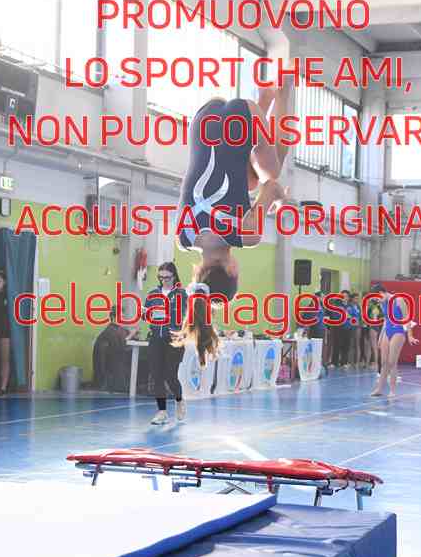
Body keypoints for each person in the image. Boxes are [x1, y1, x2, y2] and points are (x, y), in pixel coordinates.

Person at [176, 78, 294, 309]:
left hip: (245, 115)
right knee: (250, 181)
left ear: (231, 271)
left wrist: (281, 202)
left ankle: (283, 91)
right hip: (203, 118)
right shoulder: (183, 237)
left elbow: (271, 187)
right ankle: (264, 98)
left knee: (272, 171)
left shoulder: (246, 235)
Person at [144, 262, 190, 425]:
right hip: (156, 338)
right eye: (161, 277)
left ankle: (179, 400)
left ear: (174, 276)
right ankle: (162, 412)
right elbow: (145, 315)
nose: (164, 280)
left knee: (170, 375)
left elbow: (188, 317)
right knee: (157, 375)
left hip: (174, 339)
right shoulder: (152, 294)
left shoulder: (182, 294)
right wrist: (148, 314)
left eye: (167, 277)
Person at [370, 284, 419, 398]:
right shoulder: (383, 303)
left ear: (381, 293)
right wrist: (380, 337)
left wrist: (410, 336)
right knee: (383, 362)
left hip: (398, 330)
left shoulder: (399, 300)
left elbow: (407, 318)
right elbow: (386, 320)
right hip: (387, 330)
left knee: (392, 362)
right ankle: (379, 389)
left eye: (377, 298)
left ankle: (392, 390)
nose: (377, 301)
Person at [92, 305, 137, 392]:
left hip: (116, 365)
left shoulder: (118, 330)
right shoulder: (110, 331)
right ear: (113, 317)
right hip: (112, 368)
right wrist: (131, 335)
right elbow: (120, 347)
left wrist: (133, 335)